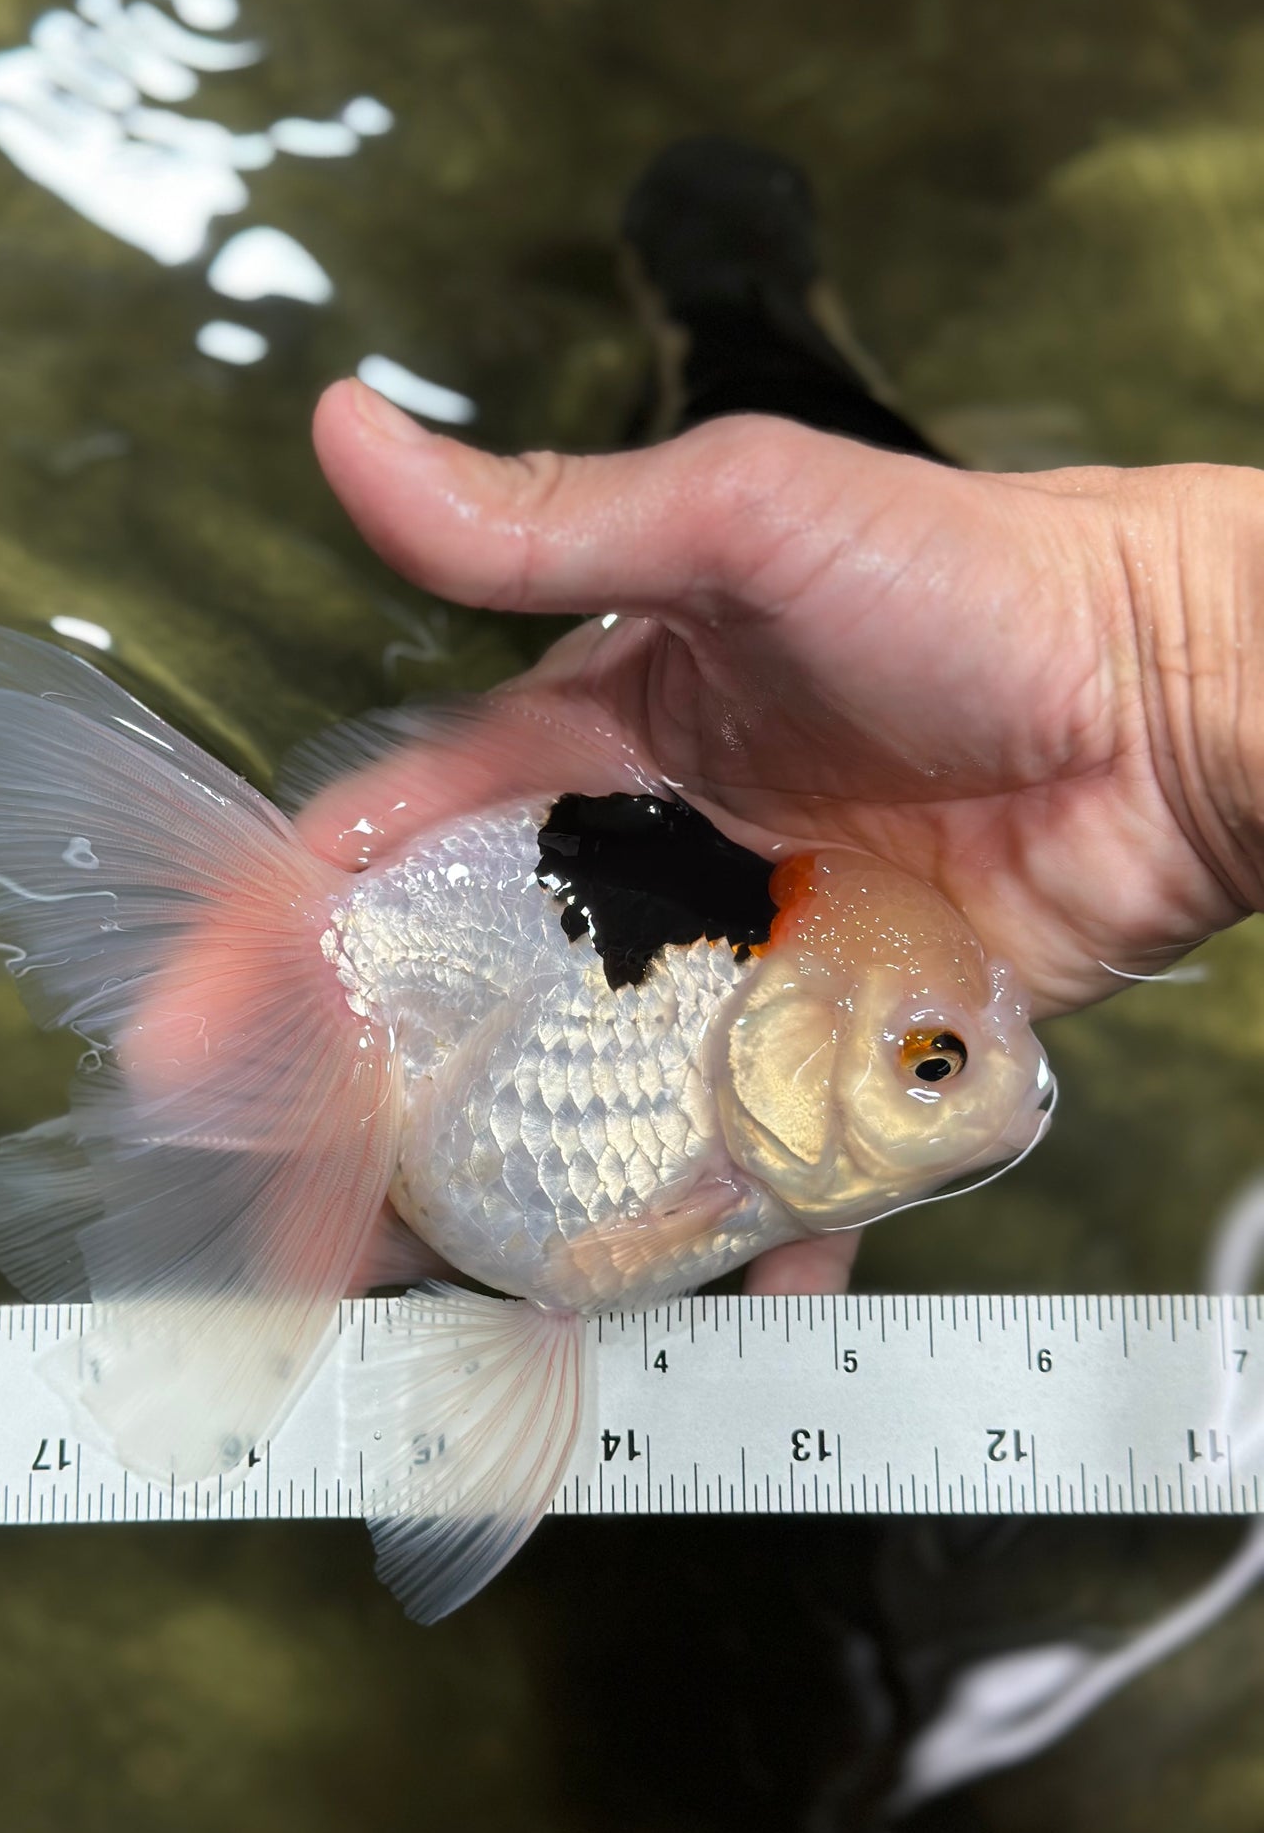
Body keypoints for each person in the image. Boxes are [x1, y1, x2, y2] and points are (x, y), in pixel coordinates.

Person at [303, 140, 1264, 1296]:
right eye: (931, 1061)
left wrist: (1168, 673)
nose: (998, 1084)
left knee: (791, 482)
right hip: (786, 657)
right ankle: (733, 324)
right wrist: (1161, 659)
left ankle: (738, 345)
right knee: (772, 439)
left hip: (846, 659)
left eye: (933, 1061)